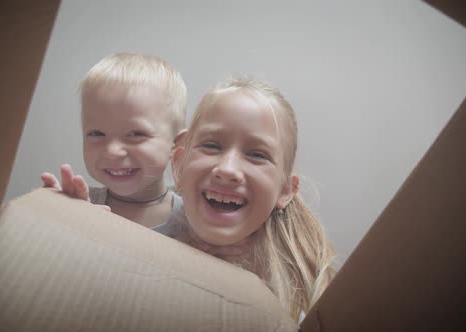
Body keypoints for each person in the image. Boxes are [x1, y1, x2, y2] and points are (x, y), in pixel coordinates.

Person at [165, 76, 337, 320]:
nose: (228, 169)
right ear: (179, 165)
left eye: (257, 154)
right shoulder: (142, 229)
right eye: (212, 146)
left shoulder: (301, 301)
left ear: (286, 190)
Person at [41, 52, 187, 228]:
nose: (112, 151)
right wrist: (56, 216)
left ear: (176, 144)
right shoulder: (81, 203)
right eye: (97, 133)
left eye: (136, 134)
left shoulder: (194, 221)